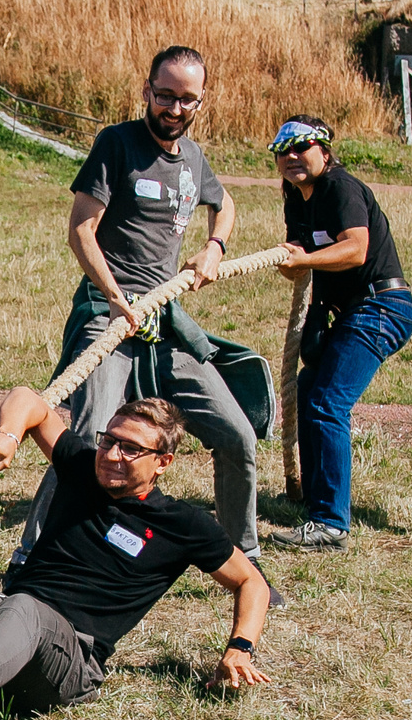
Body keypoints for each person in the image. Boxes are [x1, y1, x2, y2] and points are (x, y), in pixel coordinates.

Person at [0, 389, 271, 720]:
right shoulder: (83, 469)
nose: (112, 454)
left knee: (26, 609)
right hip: (1, 628)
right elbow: (28, 400)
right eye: (109, 440)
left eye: (131, 448)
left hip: (64, 667)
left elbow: (251, 581)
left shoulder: (182, 524)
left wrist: (240, 648)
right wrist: (8, 435)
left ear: (162, 463)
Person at [39, 46, 277, 580]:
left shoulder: (192, 158)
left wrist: (215, 245)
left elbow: (225, 203)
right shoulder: (117, 144)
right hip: (111, 314)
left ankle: (248, 563)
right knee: (89, 440)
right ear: (147, 91)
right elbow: (81, 228)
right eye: (165, 95)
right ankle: (30, 560)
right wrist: (117, 298)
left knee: (236, 434)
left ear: (200, 101)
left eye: (186, 98)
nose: (174, 107)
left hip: (165, 321)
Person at [267, 116, 412, 552]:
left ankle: (330, 524)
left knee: (326, 402)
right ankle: (315, 499)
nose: (291, 157)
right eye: (283, 151)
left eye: (301, 147)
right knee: (312, 387)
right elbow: (301, 255)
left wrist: (305, 262)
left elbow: (356, 249)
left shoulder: (339, 187)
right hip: (347, 312)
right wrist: (291, 260)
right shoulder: (296, 199)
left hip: (381, 307)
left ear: (325, 152)